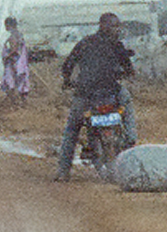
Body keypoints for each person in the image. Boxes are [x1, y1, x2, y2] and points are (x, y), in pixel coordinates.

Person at [55, 12, 139, 180]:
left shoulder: (85, 43)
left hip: (85, 94)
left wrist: (67, 81)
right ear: (103, 25)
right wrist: (126, 74)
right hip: (110, 93)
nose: (117, 29)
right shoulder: (116, 45)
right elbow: (130, 70)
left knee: (72, 131)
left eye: (118, 26)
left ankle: (63, 171)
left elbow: (67, 65)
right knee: (128, 106)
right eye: (114, 26)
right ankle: (131, 139)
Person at [0, 17, 31, 98]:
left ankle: (13, 104)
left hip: (14, 63)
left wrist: (7, 56)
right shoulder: (19, 35)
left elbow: (14, 50)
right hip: (20, 63)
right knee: (22, 84)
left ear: (9, 25)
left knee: (10, 83)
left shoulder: (13, 36)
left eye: (6, 25)